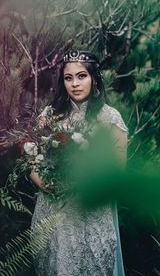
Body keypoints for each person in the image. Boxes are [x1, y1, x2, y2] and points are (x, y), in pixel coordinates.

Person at [30, 50, 128, 276]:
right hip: (52, 208)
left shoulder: (110, 118)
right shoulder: (49, 115)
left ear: (94, 78)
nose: (75, 83)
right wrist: (41, 181)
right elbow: (32, 159)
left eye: (81, 76)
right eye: (68, 77)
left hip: (89, 211)